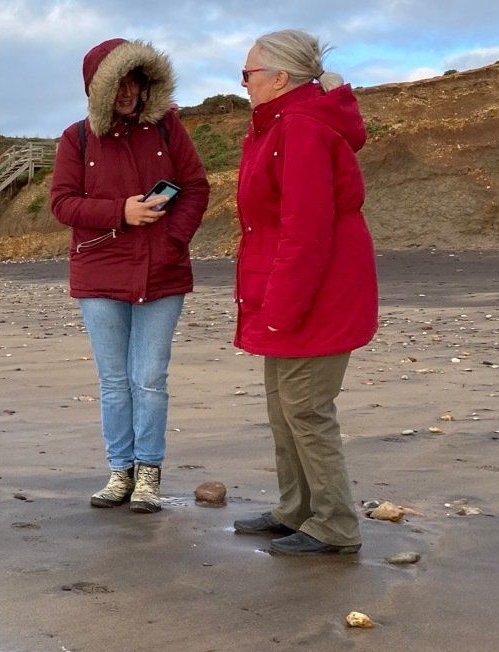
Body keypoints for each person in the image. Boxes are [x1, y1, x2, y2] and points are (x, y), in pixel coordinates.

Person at [230, 30, 377, 555]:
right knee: (283, 407)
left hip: (318, 294)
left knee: (307, 409)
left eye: (247, 73)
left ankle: (335, 523)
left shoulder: (303, 128)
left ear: (279, 78)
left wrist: (281, 308)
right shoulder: (276, 126)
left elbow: (307, 230)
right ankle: (297, 508)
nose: (243, 82)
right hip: (290, 290)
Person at [50, 38, 210, 513]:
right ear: (96, 88)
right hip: (100, 272)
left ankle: (148, 475)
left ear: (146, 83)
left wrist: (174, 240)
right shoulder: (76, 138)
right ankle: (120, 471)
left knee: (149, 379)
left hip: (162, 272)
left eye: (134, 79)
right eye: (115, 81)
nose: (126, 90)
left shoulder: (168, 128)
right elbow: (62, 203)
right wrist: (120, 211)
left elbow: (197, 188)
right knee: (115, 381)